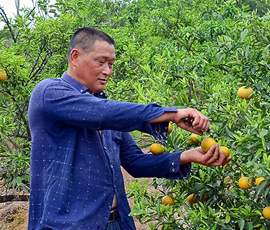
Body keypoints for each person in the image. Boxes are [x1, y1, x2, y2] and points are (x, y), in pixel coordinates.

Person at [27, 27, 232, 230]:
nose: (107, 71)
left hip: (118, 222)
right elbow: (101, 113)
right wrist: (172, 113)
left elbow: (136, 162)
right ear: (75, 56)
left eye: (111, 64)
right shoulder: (49, 92)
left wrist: (188, 155)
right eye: (101, 62)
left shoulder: (108, 113)